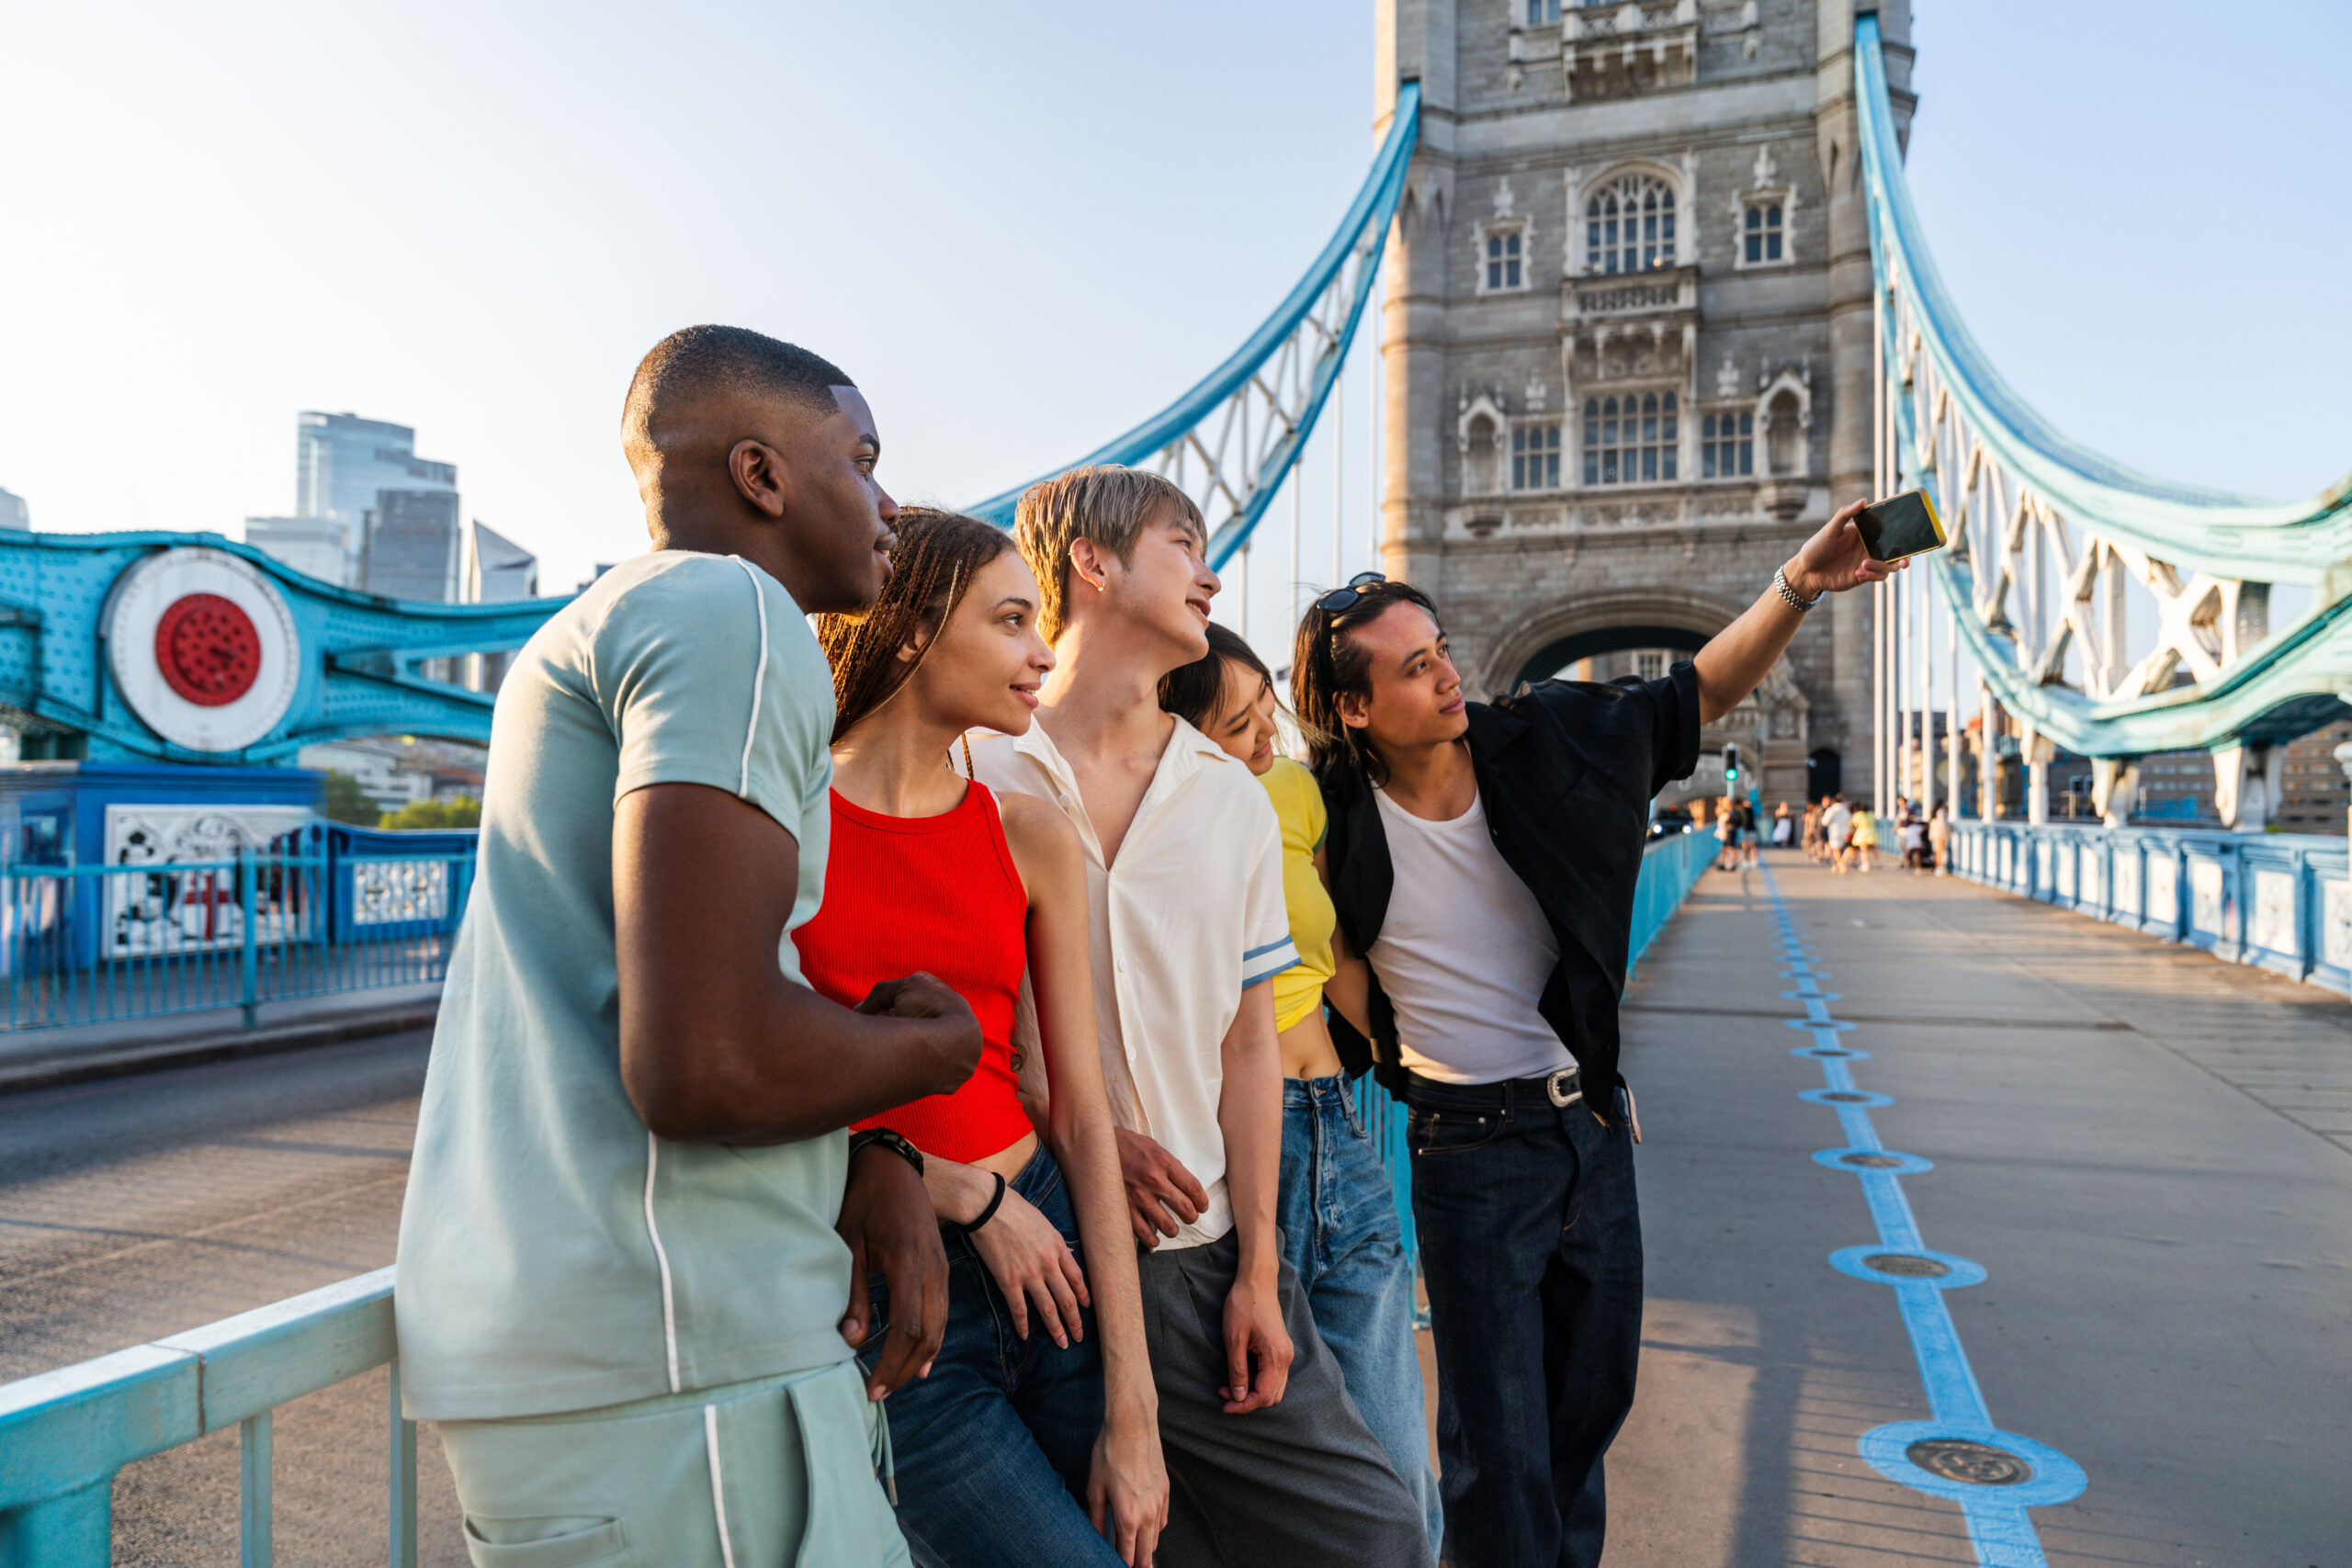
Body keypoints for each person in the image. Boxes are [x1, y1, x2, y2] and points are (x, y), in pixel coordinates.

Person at [396, 326, 984, 1564]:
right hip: (684, 1383)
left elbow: (672, 989)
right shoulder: (735, 609)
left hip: (603, 1374)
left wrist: (862, 1143)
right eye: (864, 457)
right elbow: (705, 1059)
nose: (891, 505)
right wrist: (937, 1049)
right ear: (763, 476)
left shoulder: (591, 629)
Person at [1296, 501, 1894, 1568]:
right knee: (1497, 1451)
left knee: (1587, 1414)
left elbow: (1692, 692)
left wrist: (1799, 581)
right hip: (1465, 1150)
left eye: (1439, 653)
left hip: (1587, 1131)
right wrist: (1392, 1052)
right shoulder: (1326, 818)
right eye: (1411, 669)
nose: (1444, 678)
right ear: (1351, 710)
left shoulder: (1546, 738)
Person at [968, 465, 1433, 1568]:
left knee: (1378, 1536)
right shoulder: (974, 764)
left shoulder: (1224, 795)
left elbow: (1244, 1043)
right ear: (1092, 563)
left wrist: (1262, 1275)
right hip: (1023, 1234)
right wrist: (1068, 1133)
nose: (1212, 575)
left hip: (1193, 1248)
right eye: (1185, 545)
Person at [793, 509, 1167, 1566]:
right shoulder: (780, 829)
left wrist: (1134, 1413)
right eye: (1011, 621)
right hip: (901, 1303)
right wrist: (962, 1191)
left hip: (1060, 1273)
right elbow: (733, 1086)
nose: (1043, 653)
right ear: (910, 634)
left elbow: (1082, 1115)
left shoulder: (1032, 834)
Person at [1159, 623, 1443, 1555]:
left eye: (1267, 713)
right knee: (1297, 1497)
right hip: (1243, 1146)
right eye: (1240, 726)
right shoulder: (1145, 822)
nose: (1267, 742)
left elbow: (1335, 957)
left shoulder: (1288, 790)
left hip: (1340, 1129)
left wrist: (1420, 1069)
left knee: (1402, 1478)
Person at [1824, 793, 1854, 873]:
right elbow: (1850, 820)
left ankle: (1842, 865)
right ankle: (1836, 866)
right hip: (1845, 831)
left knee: (1836, 850)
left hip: (1834, 831)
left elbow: (1825, 822)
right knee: (1842, 849)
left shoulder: (1831, 809)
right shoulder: (1845, 809)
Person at [1853, 802, 1880, 871]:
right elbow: (1874, 821)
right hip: (1871, 831)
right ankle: (1877, 862)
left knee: (1864, 850)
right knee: (1874, 848)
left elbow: (1856, 824)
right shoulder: (1871, 814)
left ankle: (1866, 864)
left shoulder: (1858, 815)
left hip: (1862, 832)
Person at [1928, 801, 1952, 874]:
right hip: (1940, 834)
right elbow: (1942, 824)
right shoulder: (1941, 812)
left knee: (1937, 852)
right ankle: (1939, 868)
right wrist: (1949, 830)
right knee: (1940, 852)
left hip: (1935, 834)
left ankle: (1937, 867)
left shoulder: (1934, 813)